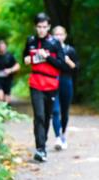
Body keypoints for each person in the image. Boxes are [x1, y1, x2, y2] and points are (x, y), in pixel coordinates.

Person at [22, 13, 69, 162]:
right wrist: (26, 59)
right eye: (39, 27)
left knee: (47, 116)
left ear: (48, 27)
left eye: (44, 27)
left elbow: (62, 65)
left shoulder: (54, 43)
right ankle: (40, 149)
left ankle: (43, 144)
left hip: (51, 84)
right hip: (35, 83)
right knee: (39, 116)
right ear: (35, 27)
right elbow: (25, 57)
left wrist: (47, 57)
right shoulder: (30, 41)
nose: (41, 30)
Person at [50, 25, 78, 150]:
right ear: (52, 36)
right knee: (55, 110)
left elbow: (76, 67)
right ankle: (57, 138)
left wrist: (68, 61)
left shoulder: (70, 50)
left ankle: (63, 134)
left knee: (64, 111)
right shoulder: (50, 50)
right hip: (52, 81)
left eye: (61, 34)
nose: (59, 37)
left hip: (66, 80)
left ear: (65, 36)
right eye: (56, 34)